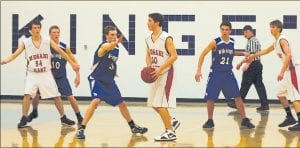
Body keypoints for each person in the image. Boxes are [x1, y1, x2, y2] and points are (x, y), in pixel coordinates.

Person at [0, 20, 79, 128]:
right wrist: (6, 61)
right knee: (27, 94)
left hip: (46, 73)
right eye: (35, 28)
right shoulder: (26, 42)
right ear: (30, 30)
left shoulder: (47, 40)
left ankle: (63, 117)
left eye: (38, 28)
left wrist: (71, 63)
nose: (37, 30)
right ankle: (24, 118)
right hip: (32, 73)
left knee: (56, 95)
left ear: (40, 29)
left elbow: (60, 51)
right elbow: (15, 53)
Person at [75, 26, 148, 139]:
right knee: (95, 101)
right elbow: (107, 47)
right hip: (97, 79)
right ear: (106, 36)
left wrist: (113, 71)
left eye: (115, 34)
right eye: (112, 35)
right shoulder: (103, 46)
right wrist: (115, 42)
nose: (114, 37)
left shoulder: (117, 48)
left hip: (109, 81)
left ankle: (133, 127)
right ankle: (81, 129)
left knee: (122, 104)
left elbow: (111, 61)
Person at [195, 21, 255, 129]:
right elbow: (203, 54)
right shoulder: (215, 42)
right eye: (222, 29)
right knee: (210, 98)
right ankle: (210, 120)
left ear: (230, 31)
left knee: (237, 97)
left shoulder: (232, 41)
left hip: (228, 73)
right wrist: (199, 70)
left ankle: (244, 119)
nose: (224, 31)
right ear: (220, 30)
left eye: (227, 30)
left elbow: (231, 52)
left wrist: (242, 53)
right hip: (216, 74)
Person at [248, 20, 300, 131]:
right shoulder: (276, 41)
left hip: (292, 70)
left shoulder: (282, 40)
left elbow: (289, 56)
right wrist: (253, 56)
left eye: (272, 27)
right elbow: (266, 50)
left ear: (278, 28)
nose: (270, 29)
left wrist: (281, 72)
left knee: (295, 97)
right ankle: (290, 117)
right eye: (270, 27)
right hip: (288, 71)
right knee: (280, 94)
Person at [27, 25, 83, 125]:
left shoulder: (64, 47)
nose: (56, 34)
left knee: (70, 97)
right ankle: (34, 111)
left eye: (58, 32)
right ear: (50, 34)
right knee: (36, 95)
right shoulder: (45, 46)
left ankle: (79, 116)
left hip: (61, 77)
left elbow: (74, 63)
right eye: (54, 32)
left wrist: (78, 75)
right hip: (47, 76)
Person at [145, 13, 180, 141]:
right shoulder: (148, 38)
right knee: (153, 104)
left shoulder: (167, 38)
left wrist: (160, 69)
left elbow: (174, 56)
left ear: (157, 22)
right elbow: (148, 55)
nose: (147, 23)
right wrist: (149, 68)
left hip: (166, 73)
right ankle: (171, 121)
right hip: (155, 74)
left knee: (160, 104)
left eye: (149, 20)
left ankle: (170, 132)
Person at [227, 25, 269, 111]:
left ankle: (237, 103)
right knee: (259, 85)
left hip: (252, 65)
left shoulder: (252, 41)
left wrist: (243, 64)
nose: (244, 35)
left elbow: (251, 55)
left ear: (250, 31)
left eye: (245, 32)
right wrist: (242, 63)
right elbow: (250, 54)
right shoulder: (253, 40)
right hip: (256, 64)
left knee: (245, 84)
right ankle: (265, 104)